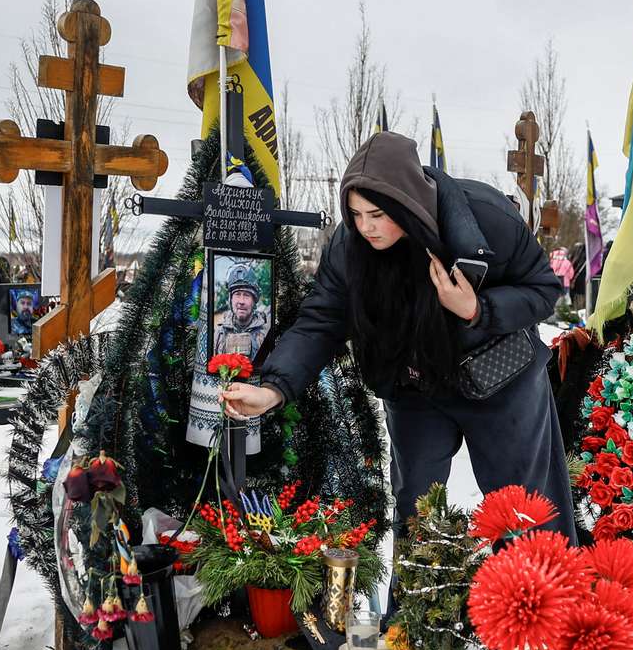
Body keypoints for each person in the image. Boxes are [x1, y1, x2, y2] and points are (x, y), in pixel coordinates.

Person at [218, 131, 576, 547]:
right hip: (415, 385)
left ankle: (537, 607)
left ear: (407, 204)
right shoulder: (348, 247)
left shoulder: (485, 218)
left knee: (524, 514)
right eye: (355, 213)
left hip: (500, 380)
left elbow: (543, 289)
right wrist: (274, 387)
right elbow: (320, 320)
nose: (366, 227)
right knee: (416, 511)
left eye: (377, 214)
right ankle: (414, 611)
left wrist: (477, 309)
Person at [212, 263, 270, 358]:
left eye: (247, 295)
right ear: (231, 299)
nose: (241, 301)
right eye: (237, 294)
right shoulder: (218, 334)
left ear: (254, 301)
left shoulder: (266, 334)